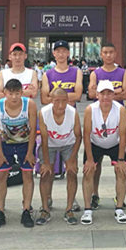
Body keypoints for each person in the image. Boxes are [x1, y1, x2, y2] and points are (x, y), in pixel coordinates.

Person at [0, 78, 38, 229]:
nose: (14, 97)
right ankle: (0, 211)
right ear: (4, 93)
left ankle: (26, 210)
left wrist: (30, 152)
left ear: (22, 93)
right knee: (1, 175)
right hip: (6, 144)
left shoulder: (29, 104)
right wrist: (0, 154)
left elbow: (33, 130)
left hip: (25, 143)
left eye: (17, 93)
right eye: (10, 93)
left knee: (28, 175)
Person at [81, 80, 126, 225]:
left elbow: (123, 135)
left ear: (113, 95)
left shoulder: (120, 110)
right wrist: (90, 159)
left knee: (122, 171)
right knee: (88, 171)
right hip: (95, 143)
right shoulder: (90, 109)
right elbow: (86, 135)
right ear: (97, 95)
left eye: (109, 93)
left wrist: (120, 160)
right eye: (102, 94)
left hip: (115, 144)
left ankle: (119, 207)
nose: (106, 97)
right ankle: (87, 208)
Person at [36, 87, 82, 225]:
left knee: (72, 172)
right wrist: (45, 163)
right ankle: (45, 207)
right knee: (46, 174)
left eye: (63, 101)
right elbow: (44, 139)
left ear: (68, 101)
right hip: (49, 144)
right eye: (57, 101)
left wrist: (72, 160)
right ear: (51, 101)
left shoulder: (73, 113)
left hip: (69, 143)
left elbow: (79, 136)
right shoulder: (43, 113)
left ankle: (69, 208)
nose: (60, 105)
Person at [42, 40, 83, 105]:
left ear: (68, 53)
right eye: (58, 51)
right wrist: (70, 97)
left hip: (71, 110)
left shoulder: (77, 72)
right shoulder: (47, 75)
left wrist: (53, 95)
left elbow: (78, 96)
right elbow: (44, 100)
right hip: (53, 111)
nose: (61, 54)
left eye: (64, 51)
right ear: (54, 53)